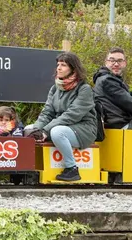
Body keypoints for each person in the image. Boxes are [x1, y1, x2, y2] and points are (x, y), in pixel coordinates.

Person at [24, 52, 100, 182]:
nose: (58, 68)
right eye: (58, 64)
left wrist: (45, 131)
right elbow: (47, 112)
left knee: (57, 132)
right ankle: (28, 168)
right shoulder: (55, 88)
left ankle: (72, 169)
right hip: (60, 125)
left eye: (63, 65)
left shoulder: (84, 89)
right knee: (28, 128)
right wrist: (37, 129)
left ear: (73, 69)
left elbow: (72, 115)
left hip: (84, 128)